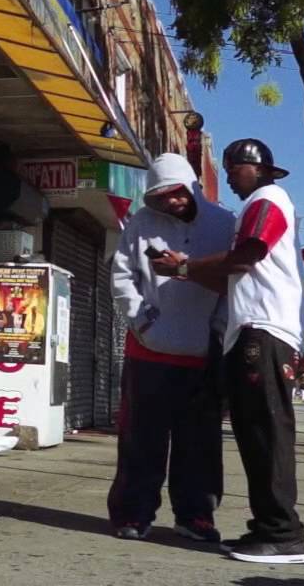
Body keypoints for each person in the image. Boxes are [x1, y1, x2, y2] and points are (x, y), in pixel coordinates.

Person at [152, 138, 304, 565]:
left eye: (233, 169)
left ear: (256, 168)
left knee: (267, 436)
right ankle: (267, 527)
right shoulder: (257, 205)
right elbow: (232, 276)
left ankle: (284, 534)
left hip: (265, 333)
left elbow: (247, 255)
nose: (229, 178)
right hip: (252, 333)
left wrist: (184, 267)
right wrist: (186, 271)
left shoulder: (267, 199)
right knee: (254, 436)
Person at [107, 153, 234, 543]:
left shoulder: (225, 223)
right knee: (141, 439)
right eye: (161, 196)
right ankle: (133, 513)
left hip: (202, 352)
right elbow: (122, 275)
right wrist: (142, 321)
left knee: (199, 442)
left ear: (192, 186)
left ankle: (195, 516)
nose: (171, 202)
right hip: (148, 349)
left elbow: (235, 283)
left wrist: (218, 330)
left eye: (177, 192)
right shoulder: (141, 223)